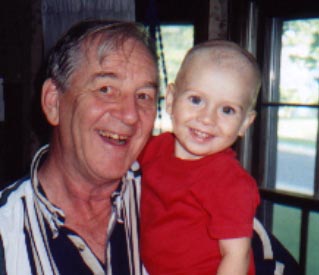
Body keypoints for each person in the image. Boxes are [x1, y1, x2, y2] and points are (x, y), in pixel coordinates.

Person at [0, 20, 158, 275]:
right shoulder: (6, 233)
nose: (130, 115)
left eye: (144, 96)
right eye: (106, 89)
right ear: (53, 102)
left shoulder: (188, 200)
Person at [139, 40, 261, 275]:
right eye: (196, 100)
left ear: (245, 123)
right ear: (172, 100)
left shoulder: (230, 183)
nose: (207, 118)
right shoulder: (155, 149)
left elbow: (236, 256)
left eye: (227, 110)